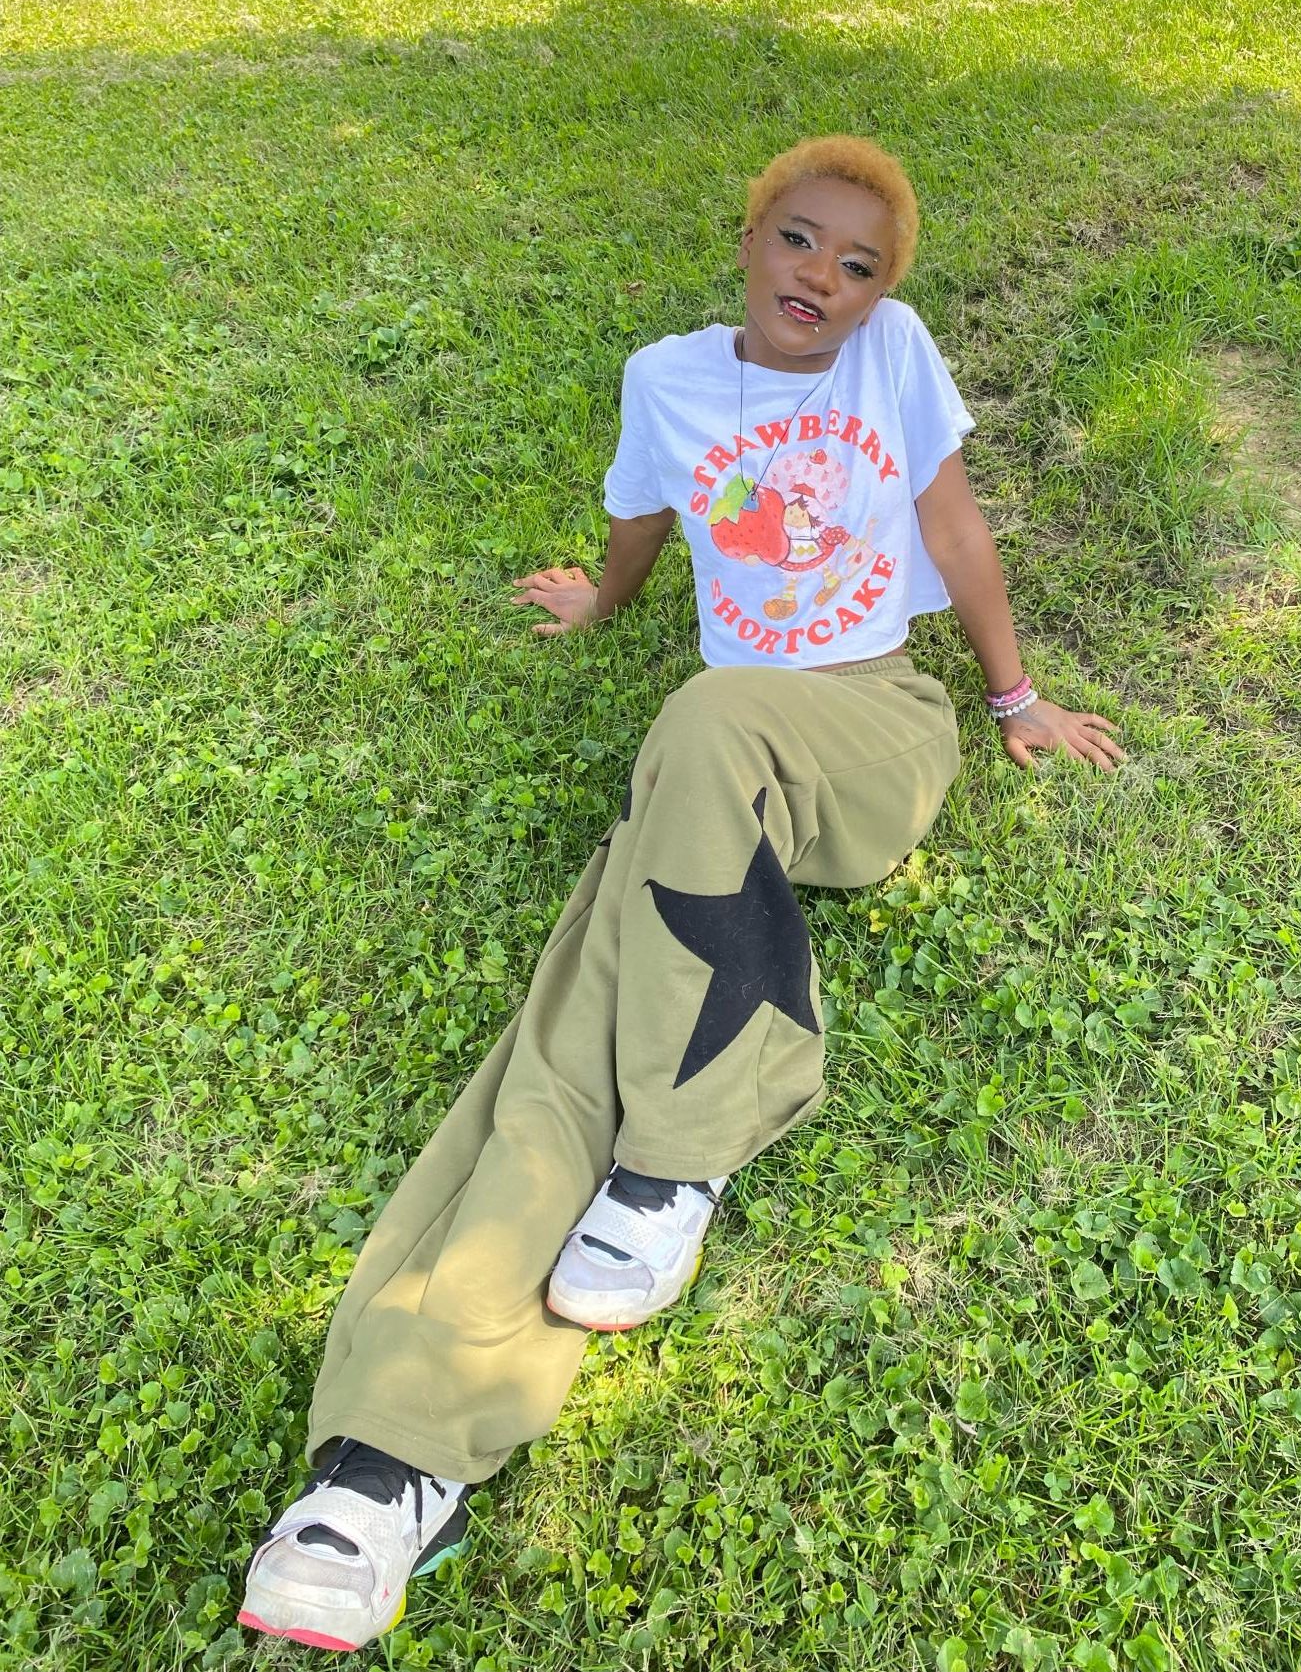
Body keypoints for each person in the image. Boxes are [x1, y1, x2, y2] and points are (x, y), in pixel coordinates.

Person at [237, 136, 1125, 1651]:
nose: (823, 282)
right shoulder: (668, 379)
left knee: (704, 719)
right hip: (722, 789)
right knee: (572, 1019)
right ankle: (387, 1465)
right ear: (749, 235)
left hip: (864, 732)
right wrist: (604, 597)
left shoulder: (891, 358)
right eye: (801, 242)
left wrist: (1014, 696)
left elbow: (954, 524)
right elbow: (644, 515)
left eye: (857, 268)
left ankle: (689, 1145)